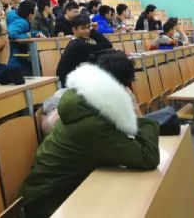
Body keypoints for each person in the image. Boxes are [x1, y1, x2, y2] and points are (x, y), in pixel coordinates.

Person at [21, 50, 160, 218]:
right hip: (49, 205)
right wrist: (134, 111)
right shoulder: (97, 125)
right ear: (125, 87)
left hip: (50, 193)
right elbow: (148, 157)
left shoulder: (84, 102)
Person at [56, 14, 113, 86]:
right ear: (74, 30)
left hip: (74, 81)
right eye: (83, 28)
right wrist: (93, 31)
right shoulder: (78, 45)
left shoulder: (76, 42)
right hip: (69, 86)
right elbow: (107, 45)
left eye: (88, 27)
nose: (87, 31)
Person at [7, 0, 44, 70]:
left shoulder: (21, 20)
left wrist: (35, 34)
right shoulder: (23, 22)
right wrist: (26, 36)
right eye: (35, 12)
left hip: (17, 58)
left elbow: (22, 32)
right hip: (15, 61)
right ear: (30, 15)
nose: (35, 14)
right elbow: (10, 34)